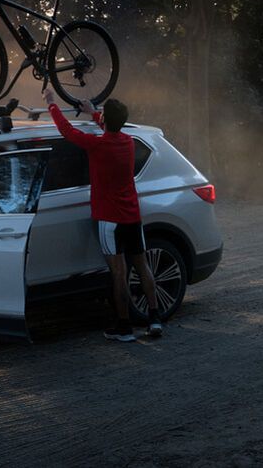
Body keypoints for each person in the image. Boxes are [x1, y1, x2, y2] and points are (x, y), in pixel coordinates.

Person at [43, 90, 163, 341]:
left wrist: (52, 104)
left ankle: (124, 327)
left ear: (106, 120)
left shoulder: (97, 145)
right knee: (141, 265)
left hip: (110, 220)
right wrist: (95, 113)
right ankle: (154, 319)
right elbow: (111, 127)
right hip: (132, 217)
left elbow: (67, 131)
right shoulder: (128, 142)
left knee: (118, 273)